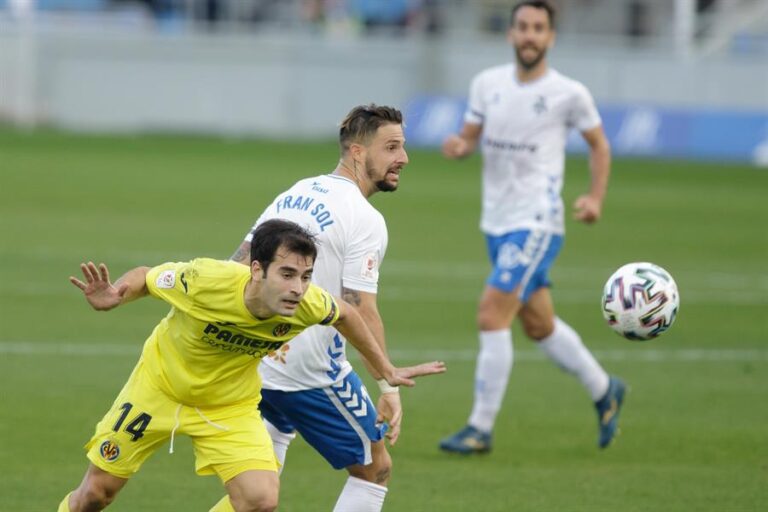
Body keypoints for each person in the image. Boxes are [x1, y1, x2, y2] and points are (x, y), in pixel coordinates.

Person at [58, 219, 445, 512]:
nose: (298, 287)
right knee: (95, 495)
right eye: (288, 274)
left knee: (261, 500)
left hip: (229, 406)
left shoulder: (306, 303)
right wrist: (116, 295)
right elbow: (146, 276)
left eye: (307, 276)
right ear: (257, 269)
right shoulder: (206, 280)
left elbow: (346, 314)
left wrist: (385, 371)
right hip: (158, 391)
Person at [438, 0, 626, 455]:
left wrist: (595, 198)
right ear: (511, 33)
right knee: (538, 324)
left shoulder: (569, 93)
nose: (529, 35)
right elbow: (470, 135)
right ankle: (606, 390)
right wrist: (460, 146)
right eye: (523, 26)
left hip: (537, 220)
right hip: (497, 221)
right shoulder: (487, 84)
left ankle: (480, 427)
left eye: (538, 28)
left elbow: (599, 146)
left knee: (491, 313)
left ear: (550, 37)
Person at [214, 104, 410, 512]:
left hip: (254, 359)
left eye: (402, 147)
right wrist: (387, 385)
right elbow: (361, 308)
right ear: (358, 152)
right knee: (375, 469)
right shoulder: (365, 217)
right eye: (391, 148)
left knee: (261, 480)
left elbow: (239, 264)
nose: (403, 159)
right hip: (307, 372)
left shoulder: (298, 191)